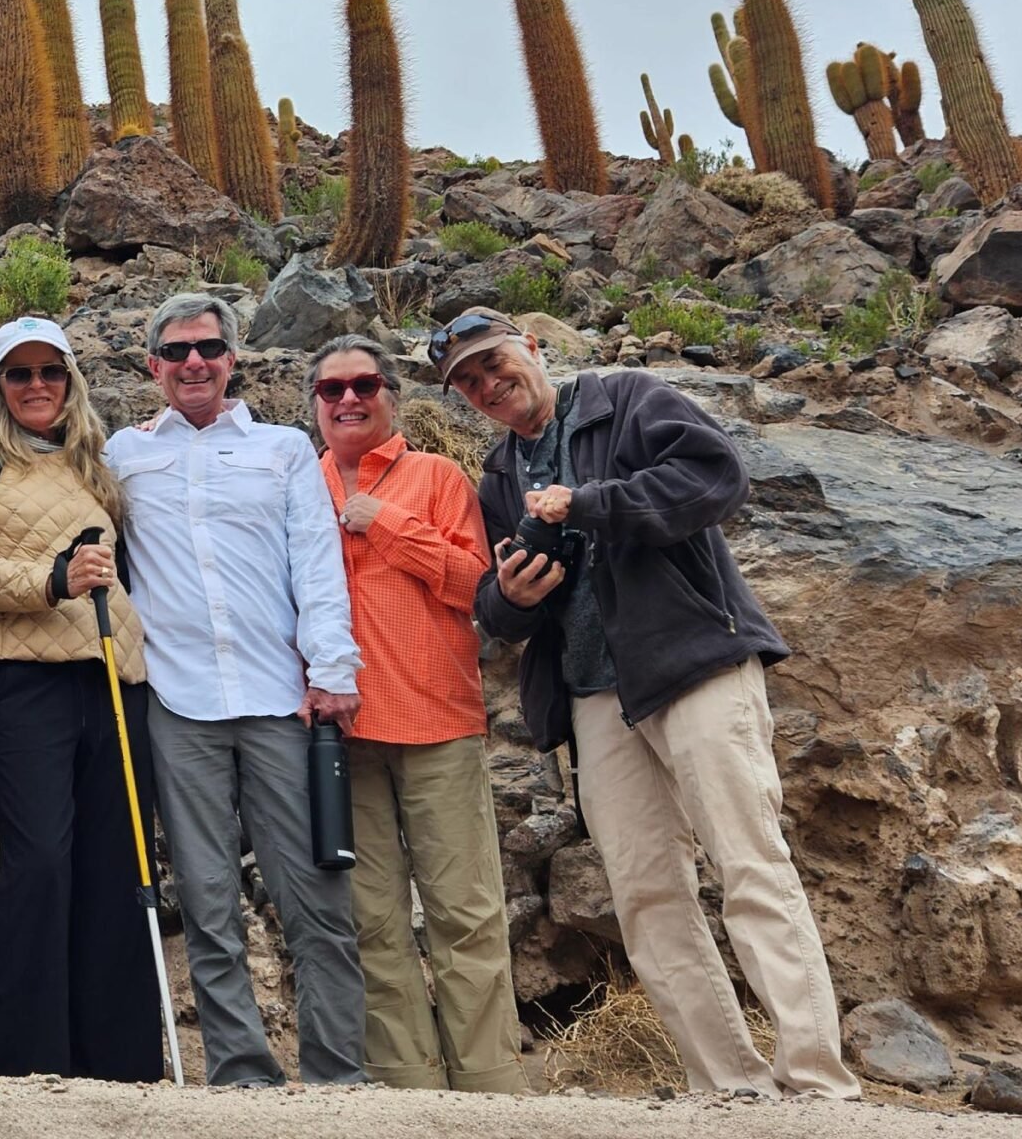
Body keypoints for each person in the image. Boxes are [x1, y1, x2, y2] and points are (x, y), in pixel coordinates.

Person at [439, 307, 860, 1101]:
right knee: (643, 890)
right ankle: (728, 1086)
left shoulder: (622, 399)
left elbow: (715, 476)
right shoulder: (497, 476)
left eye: (493, 363)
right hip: (594, 693)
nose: (487, 385)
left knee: (749, 864)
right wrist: (514, 596)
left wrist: (588, 504)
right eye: (467, 381)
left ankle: (817, 1085)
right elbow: (495, 609)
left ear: (531, 346)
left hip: (693, 662)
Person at [105, 292, 366, 1090]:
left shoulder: (284, 450)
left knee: (314, 895)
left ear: (232, 360)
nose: (194, 363)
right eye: (177, 351)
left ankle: (336, 1077)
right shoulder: (125, 452)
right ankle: (242, 1073)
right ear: (152, 366)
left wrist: (333, 669)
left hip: (280, 699)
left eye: (209, 349)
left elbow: (315, 562)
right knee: (209, 900)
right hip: (178, 705)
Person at [0, 316, 161, 1081]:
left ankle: (119, 1066)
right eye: (19, 374)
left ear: (71, 380)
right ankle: (27, 1064)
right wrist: (48, 582)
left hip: (114, 675)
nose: (36, 387)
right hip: (20, 677)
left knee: (117, 865)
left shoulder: (98, 462)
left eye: (50, 372)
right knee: (41, 861)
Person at [311, 334, 521, 1094]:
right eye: (332, 391)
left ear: (391, 396)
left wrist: (385, 524)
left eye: (364, 385)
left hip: (438, 723)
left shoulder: (434, 476)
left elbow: (478, 586)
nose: (349, 400)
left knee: (465, 913)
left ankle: (491, 1090)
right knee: (371, 922)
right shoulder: (300, 486)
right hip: (342, 734)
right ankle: (408, 1093)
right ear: (315, 406)